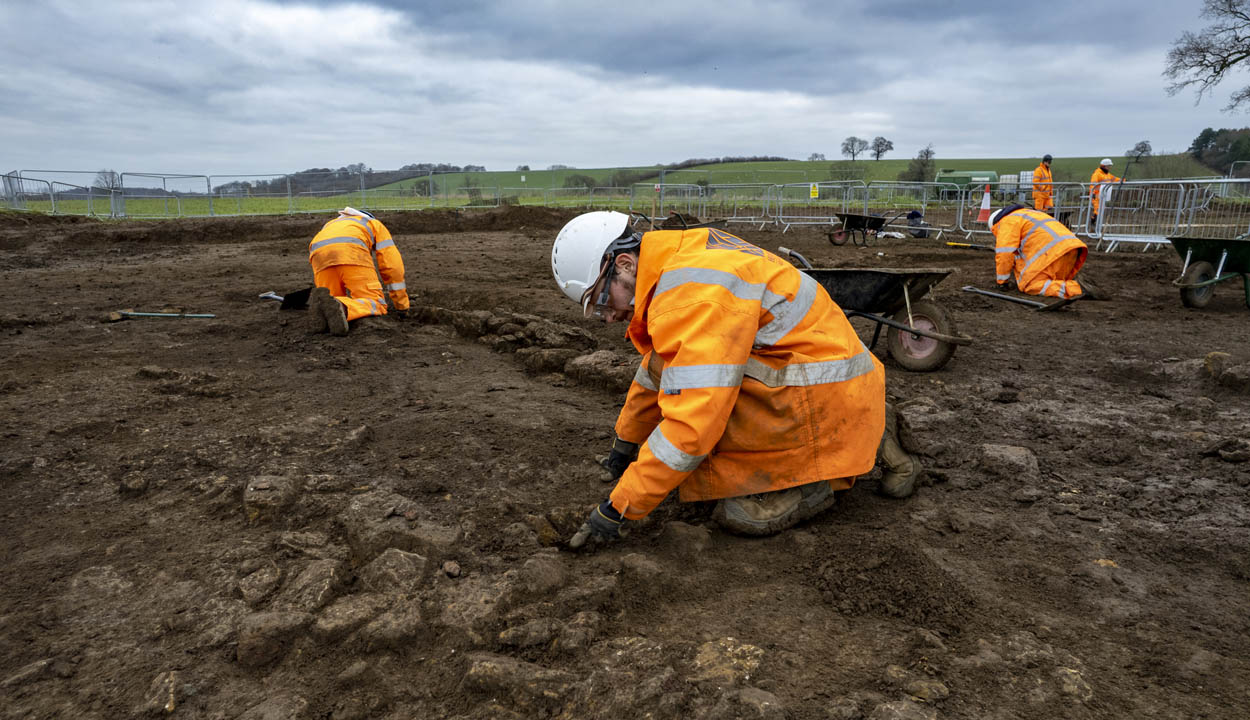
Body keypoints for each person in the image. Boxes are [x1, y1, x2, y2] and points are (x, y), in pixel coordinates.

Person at [550, 211, 919, 547]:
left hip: (827, 392)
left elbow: (692, 423)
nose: (609, 318)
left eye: (601, 301)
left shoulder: (690, 295)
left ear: (626, 264)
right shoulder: (679, 261)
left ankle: (810, 483)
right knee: (689, 373)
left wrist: (619, 508)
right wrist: (624, 446)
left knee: (728, 472)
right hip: (833, 380)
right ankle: (865, 424)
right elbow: (658, 367)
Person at [306, 207, 409, 336]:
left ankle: (324, 313)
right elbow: (392, 267)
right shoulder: (373, 224)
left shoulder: (331, 224)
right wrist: (401, 305)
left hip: (319, 256)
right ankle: (343, 306)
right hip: (352, 253)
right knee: (375, 303)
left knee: (329, 300)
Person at [988, 204, 1104, 299]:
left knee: (1030, 285)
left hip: (1053, 253)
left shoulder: (1007, 222)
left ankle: (1078, 289)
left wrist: (1002, 282)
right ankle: (1077, 284)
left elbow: (1005, 253)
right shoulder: (1028, 214)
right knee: (1051, 280)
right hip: (1071, 249)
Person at [1088, 158, 1120, 231]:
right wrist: (1092, 193)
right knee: (1098, 210)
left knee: (1101, 210)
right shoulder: (1097, 174)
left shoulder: (1108, 175)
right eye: (1108, 166)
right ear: (1104, 166)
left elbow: (1116, 179)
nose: (1109, 168)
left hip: (1103, 195)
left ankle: (1096, 226)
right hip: (1096, 195)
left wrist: (1124, 180)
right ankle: (1092, 224)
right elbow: (1093, 184)